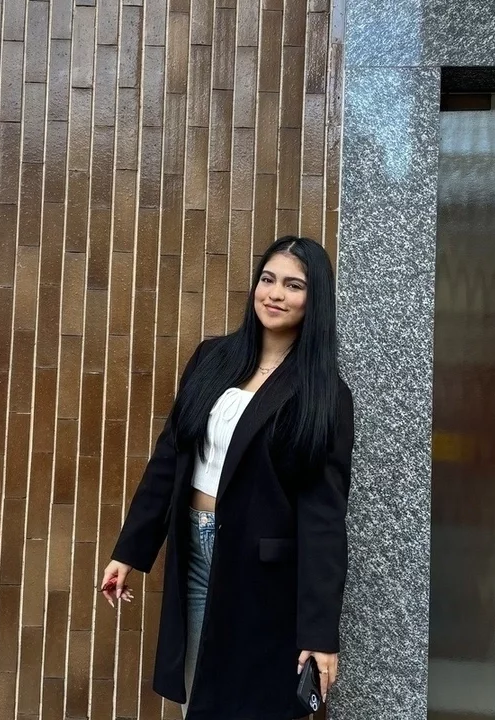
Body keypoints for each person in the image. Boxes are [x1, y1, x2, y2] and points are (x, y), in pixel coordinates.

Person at [100, 236, 355, 720]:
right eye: (268, 279)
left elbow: (323, 519)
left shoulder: (323, 395)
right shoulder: (212, 358)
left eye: (293, 285)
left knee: (249, 705)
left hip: (264, 577)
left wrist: (321, 635)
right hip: (195, 554)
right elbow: (170, 458)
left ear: (315, 299)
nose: (275, 294)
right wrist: (129, 551)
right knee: (198, 694)